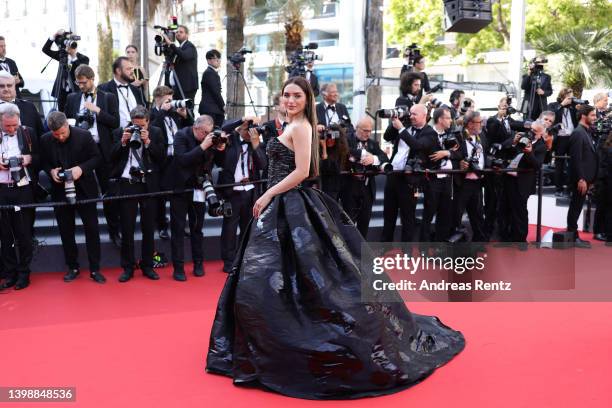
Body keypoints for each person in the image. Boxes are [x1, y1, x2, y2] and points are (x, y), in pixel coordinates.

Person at [206, 76, 465, 399]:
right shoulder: (290, 125)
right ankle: (266, 338)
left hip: (290, 203)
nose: (289, 100)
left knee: (304, 277)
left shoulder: (301, 128)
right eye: (286, 95)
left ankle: (282, 339)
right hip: (281, 206)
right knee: (269, 278)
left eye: (296, 96)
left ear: (307, 99)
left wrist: (267, 195)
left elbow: (302, 171)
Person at [39, 112, 106, 283]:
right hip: (60, 190)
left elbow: (97, 158)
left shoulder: (84, 136)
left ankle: (95, 269)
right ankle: (73, 267)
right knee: (65, 230)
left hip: (85, 189)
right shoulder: (45, 139)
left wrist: (81, 169)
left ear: (67, 125)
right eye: (56, 134)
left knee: (92, 229)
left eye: (63, 132)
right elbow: (43, 162)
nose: (60, 137)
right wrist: (51, 171)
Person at [64, 65, 121, 247]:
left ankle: (114, 232)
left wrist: (97, 111)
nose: (80, 86)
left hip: (103, 150)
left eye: (83, 82)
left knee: (109, 193)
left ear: (92, 78)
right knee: (83, 191)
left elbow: (115, 122)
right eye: (78, 83)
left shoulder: (108, 97)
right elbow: (66, 122)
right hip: (80, 152)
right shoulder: (72, 98)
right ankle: (86, 232)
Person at [164, 115, 225, 281]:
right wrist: (203, 146)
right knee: (178, 229)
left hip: (200, 187)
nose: (207, 136)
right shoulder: (181, 136)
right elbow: (182, 160)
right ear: (196, 128)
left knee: (197, 227)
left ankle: (198, 263)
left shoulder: (209, 138)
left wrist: (219, 146)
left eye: (209, 133)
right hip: (181, 188)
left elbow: (217, 161)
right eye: (204, 132)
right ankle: (178, 267)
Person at [110, 107, 166, 282]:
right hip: (128, 183)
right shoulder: (122, 131)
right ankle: (128, 267)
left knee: (148, 228)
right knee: (127, 228)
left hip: (148, 184)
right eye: (135, 125)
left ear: (148, 122)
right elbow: (111, 157)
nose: (138, 128)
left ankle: (148, 265)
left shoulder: (156, 132)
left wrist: (148, 141)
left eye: (141, 126)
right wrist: (123, 143)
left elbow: (162, 158)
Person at [217, 119, 267, 273]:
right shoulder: (230, 140)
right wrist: (241, 121)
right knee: (230, 228)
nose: (252, 133)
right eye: (249, 130)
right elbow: (222, 127)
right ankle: (228, 261)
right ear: (242, 129)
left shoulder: (256, 143)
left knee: (247, 227)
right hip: (232, 190)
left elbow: (263, 165)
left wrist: (255, 144)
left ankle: (244, 258)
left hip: (250, 190)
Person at [0, 103, 38, 290]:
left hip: (23, 188)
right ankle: (10, 273)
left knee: (23, 233)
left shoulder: (28, 132)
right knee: (5, 235)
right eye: (7, 126)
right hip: (1, 189)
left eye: (14, 125)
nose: (12, 129)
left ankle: (24, 273)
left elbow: (41, 156)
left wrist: (29, 159)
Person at [150, 85, 193, 239]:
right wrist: (162, 111)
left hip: (178, 158)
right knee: (161, 195)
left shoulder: (175, 114)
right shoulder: (153, 113)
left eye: (172, 99)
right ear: (158, 99)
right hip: (162, 160)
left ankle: (180, 225)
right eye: (168, 100)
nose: (171, 103)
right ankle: (162, 226)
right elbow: (151, 128)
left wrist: (185, 115)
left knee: (180, 195)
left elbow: (192, 130)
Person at [346, 116, 388, 238]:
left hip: (367, 187)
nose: (368, 134)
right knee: (348, 222)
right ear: (357, 129)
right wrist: (364, 154)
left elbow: (384, 158)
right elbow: (347, 151)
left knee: (364, 221)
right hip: (350, 186)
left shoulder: (373, 143)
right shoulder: (347, 139)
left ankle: (361, 251)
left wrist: (373, 159)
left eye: (370, 131)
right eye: (365, 130)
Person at [566, 105, 599, 248]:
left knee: (577, 206)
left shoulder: (586, 132)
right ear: (583, 116)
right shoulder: (578, 133)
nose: (595, 118)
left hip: (586, 179)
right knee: (575, 207)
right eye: (592, 115)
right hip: (581, 179)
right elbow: (576, 158)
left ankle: (573, 236)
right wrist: (581, 179)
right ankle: (573, 236)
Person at [42, 29, 90, 112]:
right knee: (62, 115)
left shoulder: (84, 58)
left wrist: (74, 56)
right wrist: (54, 35)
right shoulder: (62, 55)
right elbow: (45, 49)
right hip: (62, 92)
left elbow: (83, 71)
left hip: (75, 91)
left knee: (74, 115)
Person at [98, 57, 146, 128]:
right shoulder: (103, 89)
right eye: (128, 69)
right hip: (115, 136)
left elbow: (143, 111)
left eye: (132, 68)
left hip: (137, 134)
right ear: (118, 71)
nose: (132, 71)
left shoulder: (136, 90)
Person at [162, 25, 198, 100]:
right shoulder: (179, 49)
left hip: (187, 88)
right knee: (177, 110)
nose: (178, 33)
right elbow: (169, 58)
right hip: (177, 87)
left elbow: (184, 56)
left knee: (186, 111)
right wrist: (165, 46)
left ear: (187, 35)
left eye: (181, 32)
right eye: (177, 32)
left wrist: (171, 44)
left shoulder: (190, 46)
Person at [198, 49, 225, 127]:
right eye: (215, 59)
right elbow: (215, 92)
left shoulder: (212, 72)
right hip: (210, 110)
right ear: (208, 60)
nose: (218, 61)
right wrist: (223, 106)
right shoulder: (209, 73)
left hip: (212, 109)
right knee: (211, 133)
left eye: (219, 58)